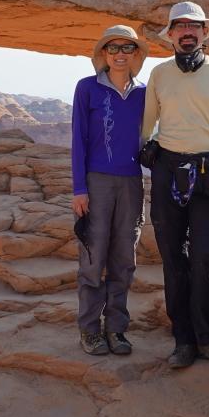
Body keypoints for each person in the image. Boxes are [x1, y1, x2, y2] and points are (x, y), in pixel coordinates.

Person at [142, 1, 209, 368]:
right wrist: (139, 153)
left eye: (195, 27)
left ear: (204, 33)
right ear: (171, 35)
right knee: (174, 260)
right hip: (167, 171)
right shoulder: (159, 75)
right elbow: (146, 123)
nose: (188, 32)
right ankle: (183, 342)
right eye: (181, 27)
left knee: (206, 256)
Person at [71, 25, 148, 356]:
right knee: (92, 257)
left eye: (126, 48)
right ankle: (89, 331)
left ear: (135, 55)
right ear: (103, 54)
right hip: (97, 182)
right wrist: (79, 188)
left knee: (123, 259)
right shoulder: (87, 89)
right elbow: (79, 140)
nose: (119, 54)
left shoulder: (145, 92)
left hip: (132, 181)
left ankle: (116, 329)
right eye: (112, 48)